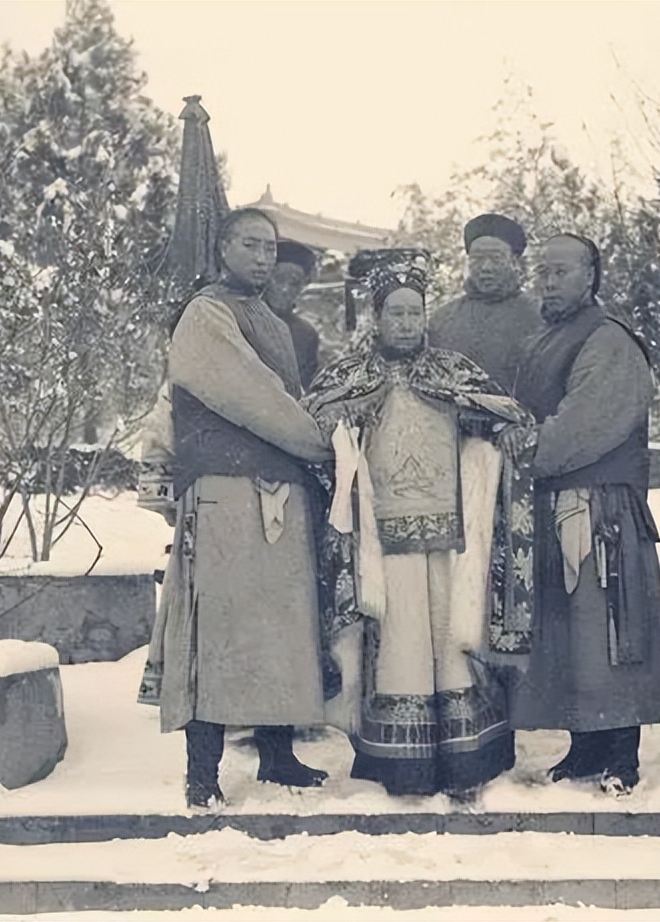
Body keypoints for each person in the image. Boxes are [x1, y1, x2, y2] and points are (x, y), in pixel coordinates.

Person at [303, 250, 536, 800]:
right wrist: (338, 428)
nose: (407, 324)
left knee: (453, 645)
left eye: (415, 313)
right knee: (399, 648)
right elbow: (311, 426)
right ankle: (401, 765)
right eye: (397, 313)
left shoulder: (451, 372)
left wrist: (500, 436)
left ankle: (467, 761)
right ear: (377, 317)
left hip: (450, 536)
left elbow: (505, 417)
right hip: (382, 538)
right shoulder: (349, 376)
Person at [136, 208, 333, 808]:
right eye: (251, 245)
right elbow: (255, 397)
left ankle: (277, 755)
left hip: (281, 491)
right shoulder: (206, 313)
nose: (264, 257)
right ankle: (203, 774)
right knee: (216, 632)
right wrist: (320, 442)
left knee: (281, 627)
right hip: (225, 491)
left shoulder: (272, 320)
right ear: (224, 249)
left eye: (270, 247)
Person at [509, 233, 660, 793]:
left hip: (601, 507)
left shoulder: (609, 340)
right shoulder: (544, 340)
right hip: (553, 501)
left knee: (610, 630)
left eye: (562, 271)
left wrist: (523, 447)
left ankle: (621, 756)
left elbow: (583, 425)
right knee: (571, 636)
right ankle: (583, 747)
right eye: (544, 272)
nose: (550, 281)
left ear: (591, 276)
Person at [428, 214, 544, 393]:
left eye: (496, 258)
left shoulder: (538, 317)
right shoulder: (442, 319)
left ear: (514, 262)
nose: (486, 267)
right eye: (477, 258)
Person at [264, 239, 322, 389]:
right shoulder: (240, 316)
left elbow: (304, 387)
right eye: (279, 279)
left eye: (294, 283)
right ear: (267, 278)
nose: (285, 289)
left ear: (302, 286)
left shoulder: (306, 335)